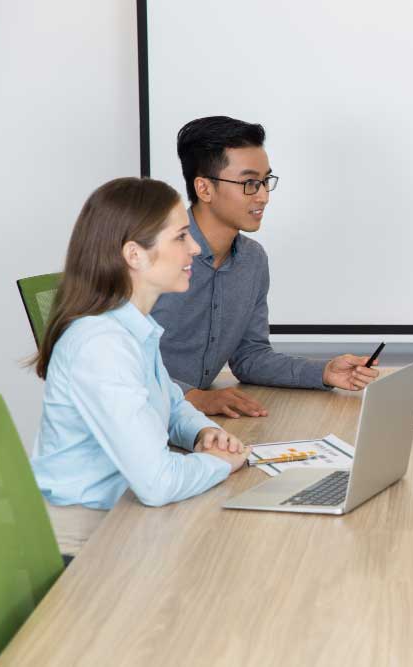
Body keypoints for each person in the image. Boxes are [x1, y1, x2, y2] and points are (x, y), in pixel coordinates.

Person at [31, 177, 250, 555]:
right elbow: (158, 483)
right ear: (135, 255)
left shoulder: (131, 329)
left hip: (123, 521)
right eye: (181, 237)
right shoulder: (102, 345)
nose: (195, 248)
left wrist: (202, 434)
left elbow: (172, 404)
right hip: (83, 547)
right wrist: (220, 464)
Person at [150, 116, 379, 418]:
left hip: (190, 424)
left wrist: (323, 372)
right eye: (249, 183)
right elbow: (115, 367)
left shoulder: (252, 261)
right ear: (204, 189)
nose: (263, 196)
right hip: (132, 427)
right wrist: (193, 398)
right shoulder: (150, 255)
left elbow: (250, 357)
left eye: (265, 181)